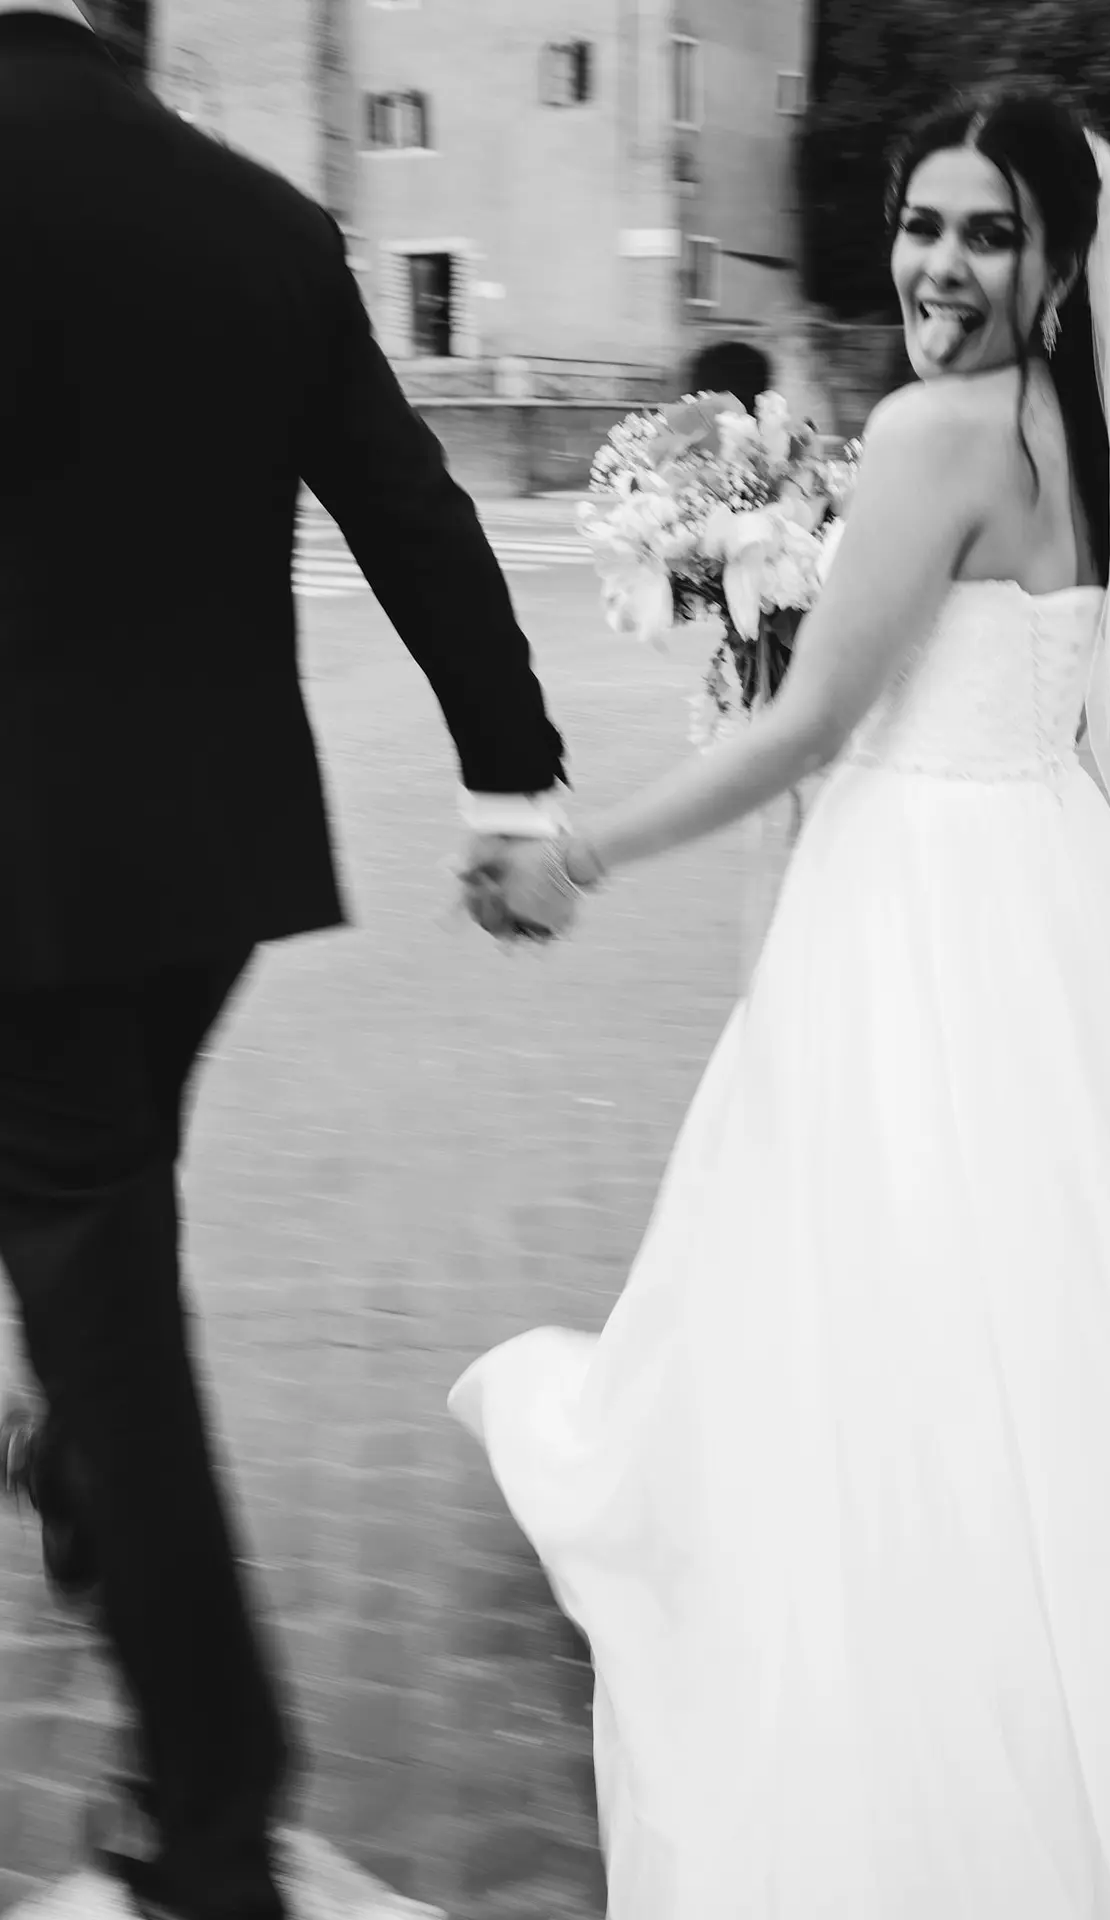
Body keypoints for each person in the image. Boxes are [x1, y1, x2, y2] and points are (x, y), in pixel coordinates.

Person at [453, 85, 1110, 1917]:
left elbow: (819, 726)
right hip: (1044, 885)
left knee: (885, 1303)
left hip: (918, 904)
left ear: (1059, 257)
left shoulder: (931, 432)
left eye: (987, 231)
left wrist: (574, 853)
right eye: (921, 222)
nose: (938, 262)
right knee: (1033, 1315)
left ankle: (908, 1709)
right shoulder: (1083, 427)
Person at [0, 4, 571, 1915]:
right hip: (209, 865)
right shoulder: (262, 222)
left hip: (30, 884)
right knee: (86, 1227)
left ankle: (212, 1810)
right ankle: (82, 1480)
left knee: (100, 1276)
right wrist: (509, 768)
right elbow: (410, 507)